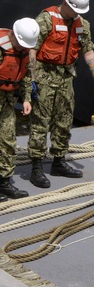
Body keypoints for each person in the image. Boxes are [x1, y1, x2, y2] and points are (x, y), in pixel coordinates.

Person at [28, 0, 94, 188]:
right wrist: (32, 79)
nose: (77, 13)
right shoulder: (46, 20)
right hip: (45, 76)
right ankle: (36, 166)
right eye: (74, 9)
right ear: (65, 3)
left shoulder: (82, 24)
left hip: (66, 78)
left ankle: (59, 161)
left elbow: (88, 51)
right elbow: (32, 50)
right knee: (40, 122)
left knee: (64, 120)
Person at [0, 19, 40, 199]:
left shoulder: (22, 51)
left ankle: (4, 181)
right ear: (14, 35)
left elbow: (24, 77)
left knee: (8, 140)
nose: (23, 48)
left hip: (8, 100)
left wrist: (26, 99)